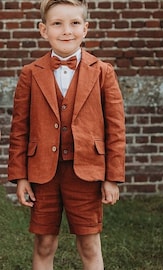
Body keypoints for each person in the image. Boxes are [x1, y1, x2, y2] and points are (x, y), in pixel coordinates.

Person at [7, 0, 125, 269]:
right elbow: (19, 129)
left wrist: (112, 178)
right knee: (44, 242)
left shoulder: (103, 72)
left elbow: (116, 129)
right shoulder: (30, 73)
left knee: (89, 243)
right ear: (43, 30)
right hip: (42, 174)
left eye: (74, 23)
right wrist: (20, 176)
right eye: (57, 24)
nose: (66, 31)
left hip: (87, 172)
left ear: (86, 28)